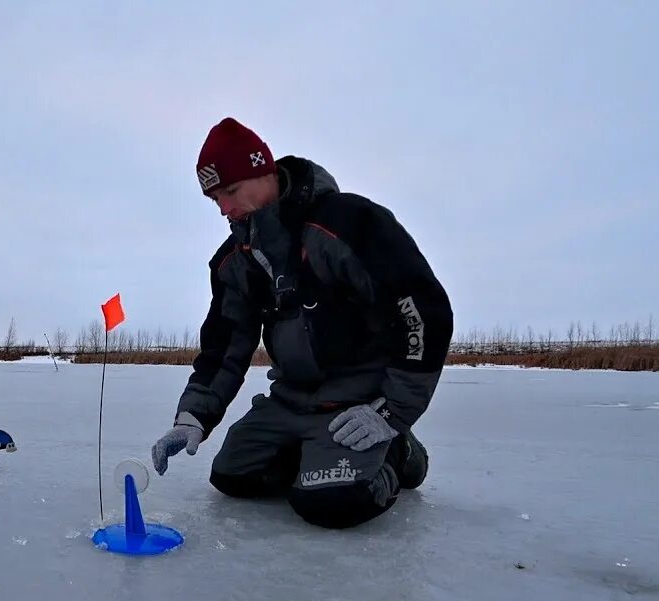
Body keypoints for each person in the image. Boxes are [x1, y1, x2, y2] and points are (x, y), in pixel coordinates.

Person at [151, 117, 453, 529]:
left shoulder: (346, 222)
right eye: (214, 199)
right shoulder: (235, 260)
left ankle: (399, 454)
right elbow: (224, 346)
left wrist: (390, 413)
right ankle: (317, 454)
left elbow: (423, 311)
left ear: (264, 170)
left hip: (359, 401)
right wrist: (192, 418)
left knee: (330, 503)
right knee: (232, 477)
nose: (223, 208)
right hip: (292, 399)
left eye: (231, 191)